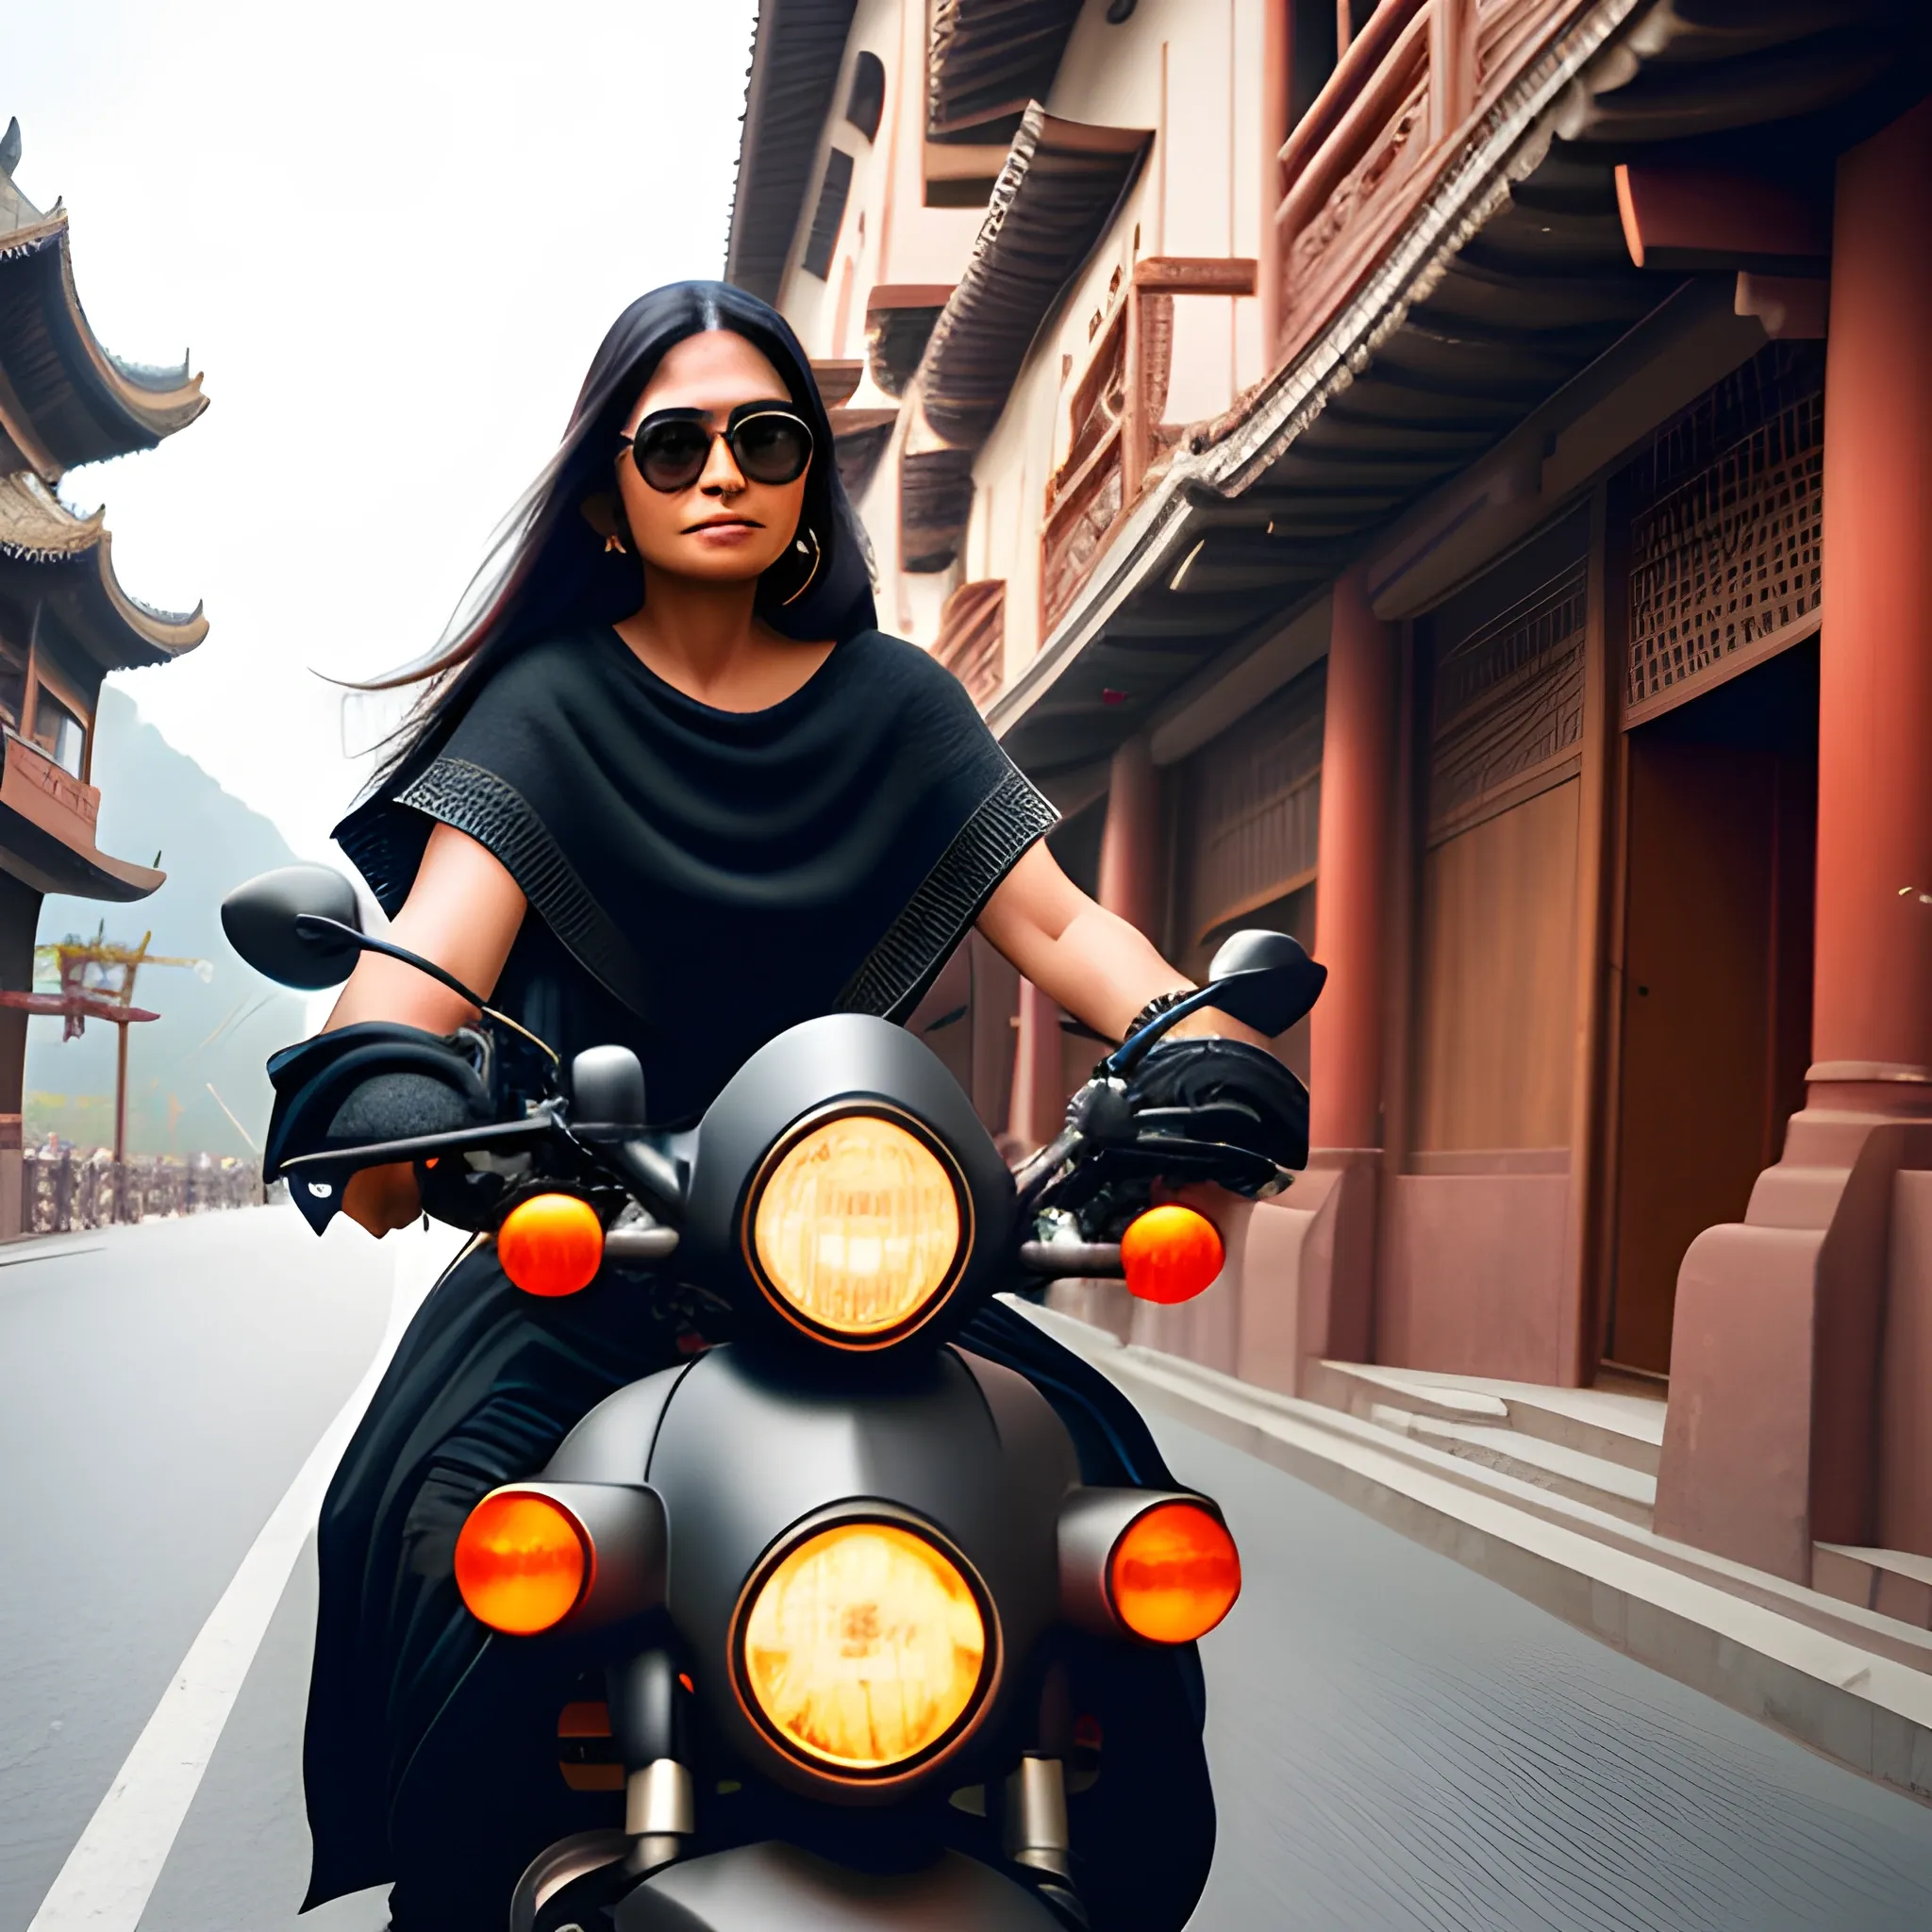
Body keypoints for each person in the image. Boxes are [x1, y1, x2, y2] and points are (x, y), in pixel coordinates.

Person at [284, 281, 1305, 1928]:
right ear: (611, 483)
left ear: (806, 475)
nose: (719, 472)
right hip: (594, 1246)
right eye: (672, 441)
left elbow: (1058, 924)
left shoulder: (896, 702)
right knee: (437, 1525)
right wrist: (388, 1074)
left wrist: (1197, 1038)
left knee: (1119, 1528)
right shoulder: (543, 708)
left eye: (764, 437)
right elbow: (429, 952)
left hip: (879, 1268)